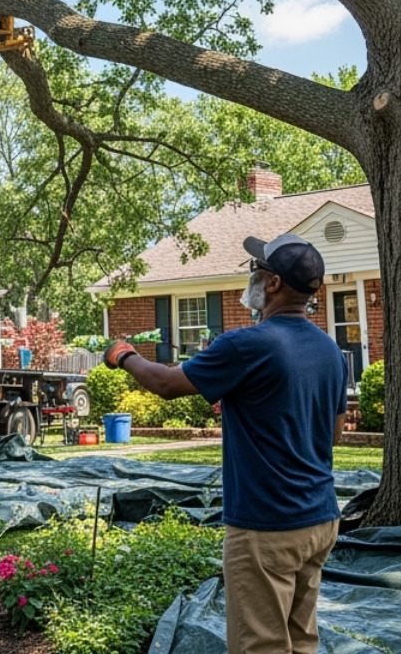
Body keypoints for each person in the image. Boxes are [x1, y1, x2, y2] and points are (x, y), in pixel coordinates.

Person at [104, 234, 348, 654]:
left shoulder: (247, 344)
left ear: (272, 284)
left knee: (261, 646)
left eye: (256, 268)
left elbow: (164, 384)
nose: (250, 275)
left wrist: (124, 355)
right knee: (301, 641)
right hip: (320, 519)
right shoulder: (330, 350)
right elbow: (334, 434)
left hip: (266, 525)